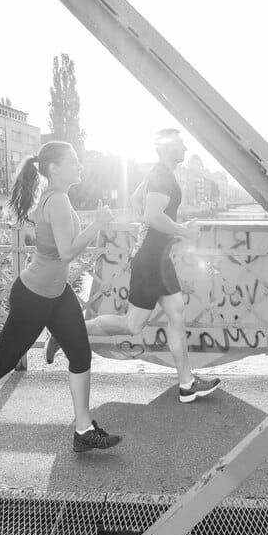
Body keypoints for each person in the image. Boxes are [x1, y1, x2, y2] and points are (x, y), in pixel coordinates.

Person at [0, 141, 122, 453]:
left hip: (57, 294)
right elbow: (67, 252)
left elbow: (55, 242)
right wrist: (98, 226)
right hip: (34, 297)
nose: (80, 165)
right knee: (1, 363)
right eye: (73, 161)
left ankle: (83, 430)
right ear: (54, 169)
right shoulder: (58, 199)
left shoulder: (56, 197)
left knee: (80, 354)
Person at [46, 128, 221, 404]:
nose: (185, 149)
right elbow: (152, 214)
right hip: (151, 260)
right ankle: (66, 330)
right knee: (132, 325)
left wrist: (150, 229)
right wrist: (183, 231)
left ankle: (187, 383)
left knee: (176, 314)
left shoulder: (158, 173)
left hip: (159, 258)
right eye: (180, 144)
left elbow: (137, 201)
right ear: (166, 148)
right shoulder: (161, 175)